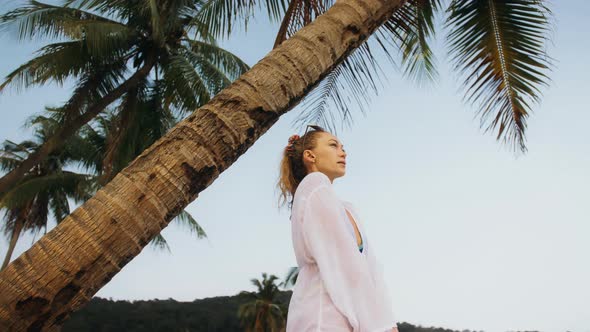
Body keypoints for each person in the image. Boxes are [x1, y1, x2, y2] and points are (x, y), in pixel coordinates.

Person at [277, 124, 399, 332]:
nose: (343, 152)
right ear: (310, 156)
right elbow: (346, 262)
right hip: (323, 317)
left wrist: (387, 322)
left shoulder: (346, 208)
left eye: (343, 147)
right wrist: (384, 326)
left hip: (349, 319)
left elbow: (371, 271)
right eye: (333, 145)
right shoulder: (314, 185)